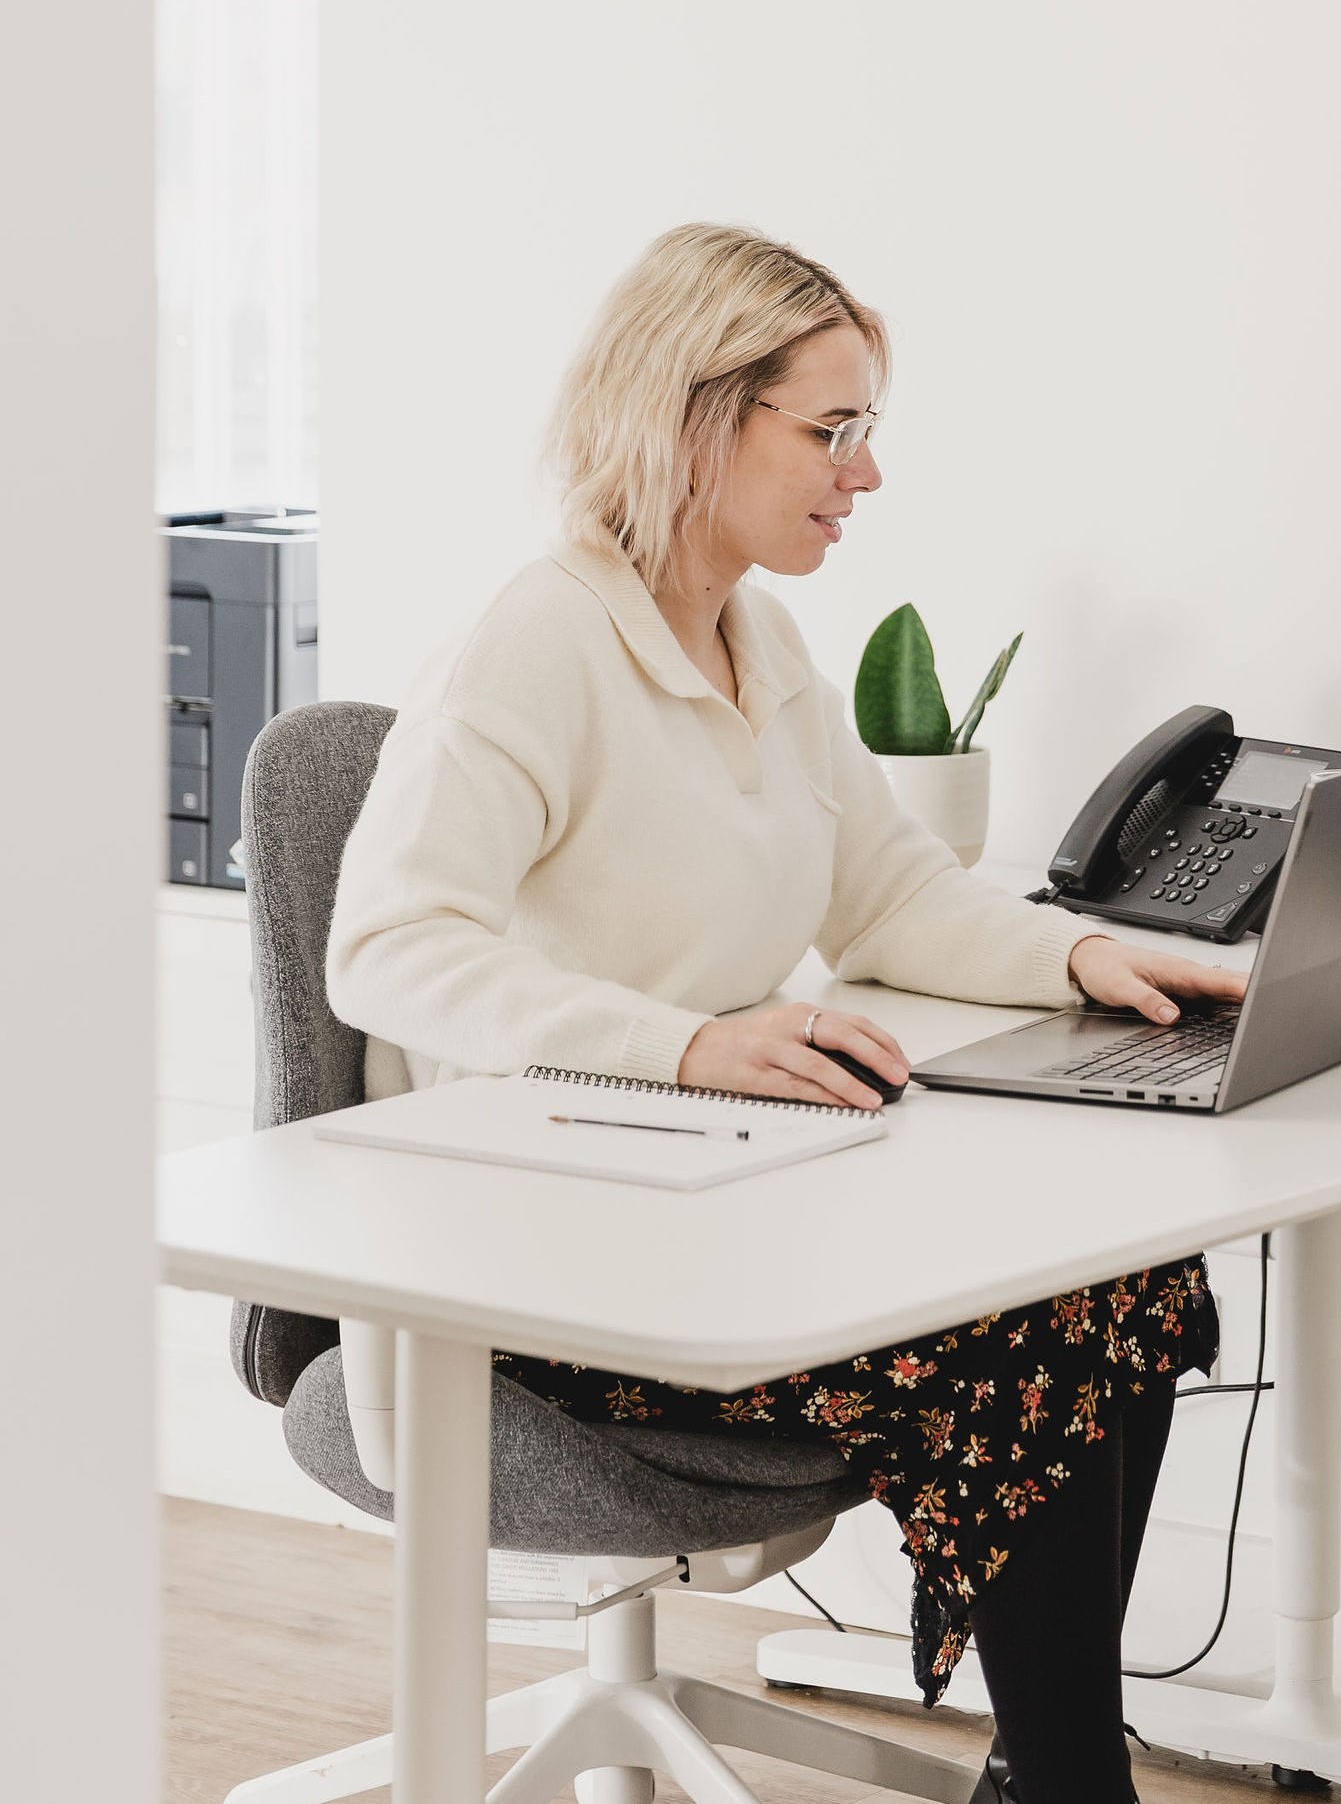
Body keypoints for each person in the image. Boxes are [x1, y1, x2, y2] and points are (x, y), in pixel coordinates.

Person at [326, 222, 1245, 1803]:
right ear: (697, 420)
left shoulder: (760, 634)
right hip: (545, 1266)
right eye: (833, 430)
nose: (864, 473)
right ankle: (1071, 1782)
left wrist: (1081, 960)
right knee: (1028, 1316)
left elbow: (886, 892)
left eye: (864, 430)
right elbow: (390, 946)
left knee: (1129, 1276)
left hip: (716, 1198)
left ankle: (1045, 1767)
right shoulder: (539, 639)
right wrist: (680, 1044)